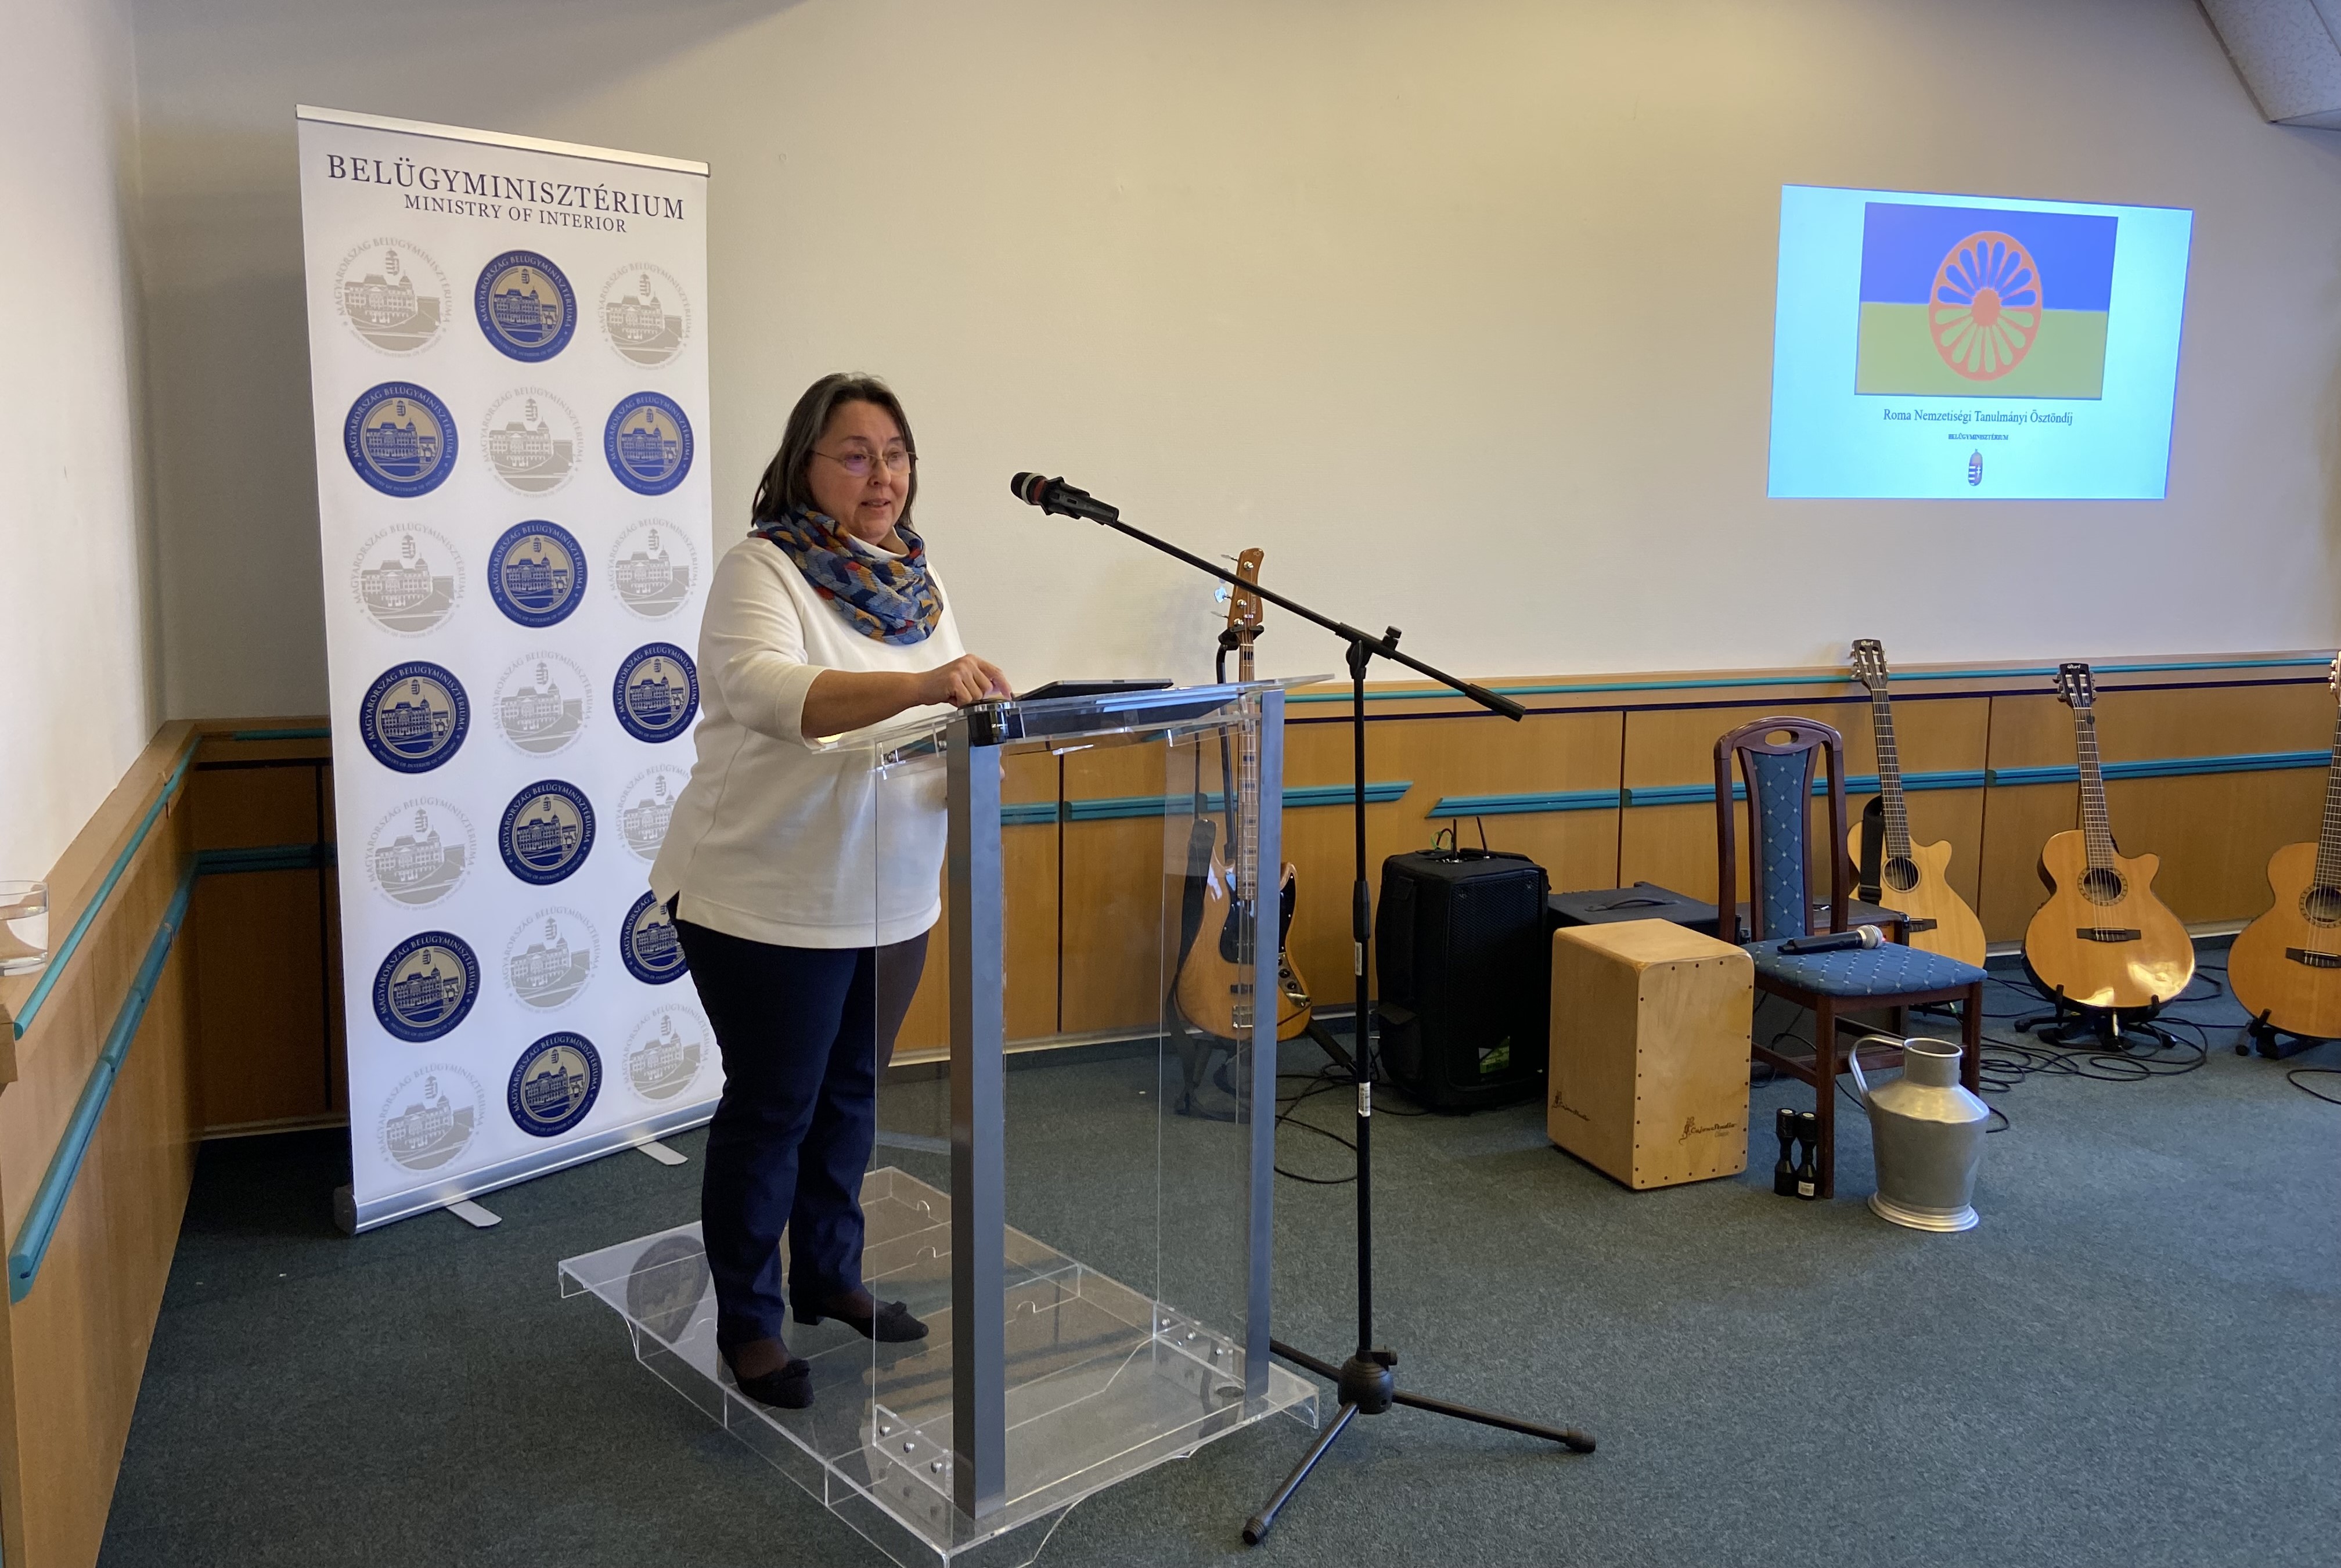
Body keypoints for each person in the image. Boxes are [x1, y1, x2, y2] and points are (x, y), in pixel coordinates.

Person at [649, 372, 1009, 1409]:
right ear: (804, 465)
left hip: (891, 893)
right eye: (855, 455)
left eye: (895, 454)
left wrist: (985, 720)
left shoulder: (918, 585)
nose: (881, 475)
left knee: (852, 1093)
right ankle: (749, 1323)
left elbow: (938, 716)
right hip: (767, 898)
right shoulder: (762, 568)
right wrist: (929, 684)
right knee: (774, 1108)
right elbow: (773, 695)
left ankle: (829, 1273)